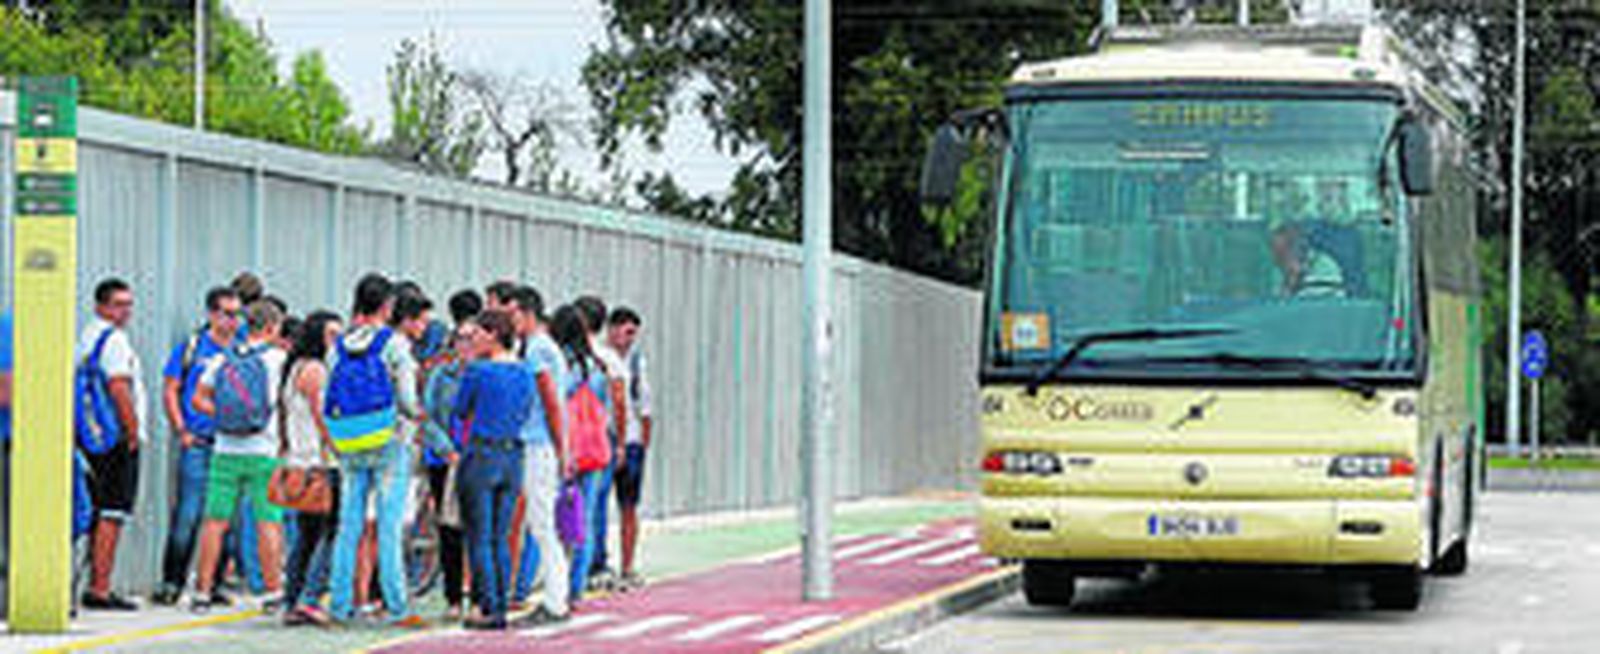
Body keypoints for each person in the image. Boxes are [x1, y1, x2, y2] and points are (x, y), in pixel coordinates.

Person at [326, 274, 426, 628]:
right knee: (387, 525)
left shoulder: (338, 345)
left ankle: (339, 606)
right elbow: (408, 401)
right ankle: (397, 606)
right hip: (389, 441)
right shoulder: (394, 344)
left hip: (350, 441)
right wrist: (420, 417)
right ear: (387, 306)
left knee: (348, 526)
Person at [188, 301, 290, 612]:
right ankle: (273, 592)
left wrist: (225, 416)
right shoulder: (279, 361)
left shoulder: (222, 359)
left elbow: (197, 399)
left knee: (214, 522)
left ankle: (202, 591)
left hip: (225, 450)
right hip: (265, 451)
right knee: (268, 522)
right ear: (272, 327)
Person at [153, 287, 244, 606]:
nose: (234, 321)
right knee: (189, 514)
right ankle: (171, 582)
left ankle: (214, 583)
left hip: (231, 445)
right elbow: (170, 389)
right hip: (199, 442)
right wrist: (181, 430)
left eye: (238, 314)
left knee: (226, 519)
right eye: (228, 314)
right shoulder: (192, 348)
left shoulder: (243, 351)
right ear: (211, 314)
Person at [452, 311, 536, 631]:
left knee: (479, 536)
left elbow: (461, 409)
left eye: (477, 335)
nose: (472, 341)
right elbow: (526, 410)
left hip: (481, 453)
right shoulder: (525, 371)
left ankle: (487, 608)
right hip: (513, 454)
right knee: (501, 537)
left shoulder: (478, 371)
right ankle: (501, 605)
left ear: (492, 334)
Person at [78, 278, 146, 611]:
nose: (125, 311)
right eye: (119, 304)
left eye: (128, 304)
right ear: (101, 306)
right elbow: (119, 388)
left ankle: (95, 582)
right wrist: (132, 432)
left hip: (91, 437)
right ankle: (100, 588)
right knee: (113, 512)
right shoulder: (114, 340)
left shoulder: (87, 336)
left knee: (99, 510)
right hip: (114, 439)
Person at [507, 286, 570, 622]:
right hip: (540, 442)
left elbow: (550, 402)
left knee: (542, 522)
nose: (510, 320)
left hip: (539, 444)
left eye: (513, 313)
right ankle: (554, 596)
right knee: (540, 521)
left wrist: (563, 449)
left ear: (528, 313)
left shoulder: (537, 350)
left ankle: (555, 600)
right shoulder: (541, 347)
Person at [281, 312, 344, 626]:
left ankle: (293, 598)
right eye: (332, 335)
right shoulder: (316, 370)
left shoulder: (293, 369)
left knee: (306, 535)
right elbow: (324, 419)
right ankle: (310, 597)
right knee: (332, 531)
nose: (337, 341)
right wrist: (341, 449)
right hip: (320, 464)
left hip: (298, 461)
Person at [553, 305, 613, 602]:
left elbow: (558, 407)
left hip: (567, 449)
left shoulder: (563, 365)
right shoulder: (598, 366)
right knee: (583, 519)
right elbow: (606, 412)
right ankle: (576, 587)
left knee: (552, 519)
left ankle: (548, 583)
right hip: (594, 449)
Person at [573, 296, 627, 589]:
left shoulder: (568, 355)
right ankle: (590, 568)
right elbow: (619, 404)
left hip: (570, 437)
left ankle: (573, 570)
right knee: (593, 504)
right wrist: (619, 442)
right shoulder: (609, 359)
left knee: (572, 505)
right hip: (598, 439)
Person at [606, 307, 653, 590]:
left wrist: (641, 444)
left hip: (632, 442)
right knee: (595, 505)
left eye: (634, 333)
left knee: (628, 506)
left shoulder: (637, 363)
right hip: (602, 440)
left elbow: (646, 408)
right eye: (626, 332)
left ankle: (627, 566)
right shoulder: (600, 359)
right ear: (611, 329)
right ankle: (595, 564)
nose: (630, 339)